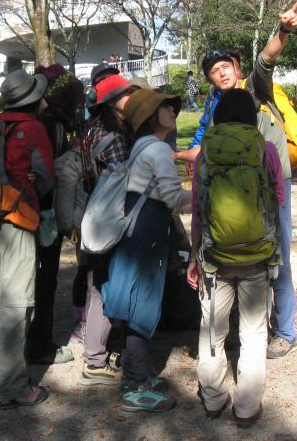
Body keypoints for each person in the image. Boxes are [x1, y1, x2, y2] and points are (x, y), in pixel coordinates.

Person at [175, 0, 297, 360]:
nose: (221, 74)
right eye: (214, 71)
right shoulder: (214, 105)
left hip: (272, 185)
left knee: (277, 255)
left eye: (225, 67)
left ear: (237, 67)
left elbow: (268, 58)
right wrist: (176, 155)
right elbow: (202, 145)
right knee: (238, 252)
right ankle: (244, 327)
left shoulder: (254, 88)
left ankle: (285, 331)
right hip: (233, 189)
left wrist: (283, 30)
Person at [187, 89, 285, 428]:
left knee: (212, 329)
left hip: (215, 256)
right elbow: (278, 200)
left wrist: (194, 255)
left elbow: (198, 208)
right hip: (258, 255)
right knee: (254, 333)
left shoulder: (206, 153)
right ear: (251, 118)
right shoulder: (266, 150)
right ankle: (246, 407)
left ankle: (213, 398)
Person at [101, 88, 190, 413]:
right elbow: (173, 198)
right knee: (141, 306)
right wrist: (204, 195)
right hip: (147, 235)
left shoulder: (141, 145)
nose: (172, 111)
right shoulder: (159, 150)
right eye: (165, 107)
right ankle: (136, 385)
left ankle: (137, 374)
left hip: (134, 232)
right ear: (150, 116)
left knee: (133, 301)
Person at [0, 69, 55, 409]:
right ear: (34, 100)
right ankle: (11, 386)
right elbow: (46, 178)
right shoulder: (34, 128)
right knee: (16, 305)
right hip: (18, 223)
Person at [79, 73, 139, 386]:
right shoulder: (114, 138)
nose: (131, 97)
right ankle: (94, 360)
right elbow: (129, 180)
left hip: (95, 214)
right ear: (113, 102)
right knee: (105, 287)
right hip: (113, 218)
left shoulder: (91, 129)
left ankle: (94, 352)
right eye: (127, 93)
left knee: (97, 284)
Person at [25, 64, 84, 366]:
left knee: (30, 277)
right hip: (44, 212)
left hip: (22, 210)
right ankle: (40, 345)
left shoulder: (33, 119)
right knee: (45, 278)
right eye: (75, 100)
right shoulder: (53, 125)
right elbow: (52, 175)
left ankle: (25, 340)